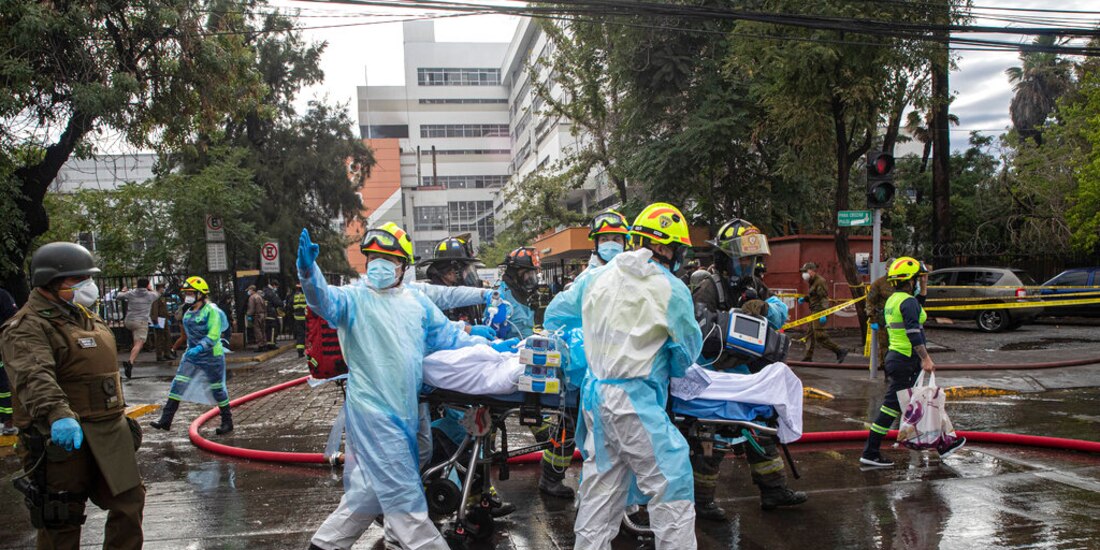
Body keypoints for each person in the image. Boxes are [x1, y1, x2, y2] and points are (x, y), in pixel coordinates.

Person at [298, 224, 512, 550]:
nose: (379, 265)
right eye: (373, 258)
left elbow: (448, 337)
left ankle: (325, 546)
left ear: (403, 266)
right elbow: (322, 302)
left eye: (389, 258)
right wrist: (308, 273)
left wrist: (488, 343)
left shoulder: (416, 303)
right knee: (408, 505)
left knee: (367, 497)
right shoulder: (355, 299)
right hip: (373, 414)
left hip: (405, 412)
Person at [544, 202, 703, 549]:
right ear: (665, 246)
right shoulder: (671, 289)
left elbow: (556, 315)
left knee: (602, 489)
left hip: (595, 397)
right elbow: (686, 353)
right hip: (634, 403)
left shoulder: (597, 276)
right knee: (671, 479)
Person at [0, 242, 144, 549]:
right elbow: (33, 375)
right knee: (61, 516)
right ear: (50, 282)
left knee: (129, 502)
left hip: (109, 431)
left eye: (87, 278)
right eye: (76, 280)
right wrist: (58, 415)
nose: (86, 286)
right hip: (62, 435)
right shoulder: (27, 326)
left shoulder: (83, 315)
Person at [691, 218, 806, 518]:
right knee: (711, 440)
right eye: (743, 258)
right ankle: (701, 502)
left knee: (761, 432)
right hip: (717, 378)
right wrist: (731, 319)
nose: (748, 264)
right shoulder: (707, 288)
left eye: (752, 259)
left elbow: (781, 312)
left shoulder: (755, 285)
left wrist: (766, 309)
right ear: (725, 257)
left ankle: (774, 491)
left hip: (749, 377)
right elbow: (699, 332)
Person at [860, 257, 965, 467]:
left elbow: (918, 312)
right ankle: (870, 452)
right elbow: (913, 330)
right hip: (906, 359)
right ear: (910, 280)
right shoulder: (907, 302)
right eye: (917, 279)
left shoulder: (895, 299)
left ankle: (943, 444)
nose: (919, 282)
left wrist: (924, 286)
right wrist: (925, 358)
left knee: (920, 404)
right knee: (893, 408)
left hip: (897, 358)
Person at [148, 276, 234, 435]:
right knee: (178, 384)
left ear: (200, 294)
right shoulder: (187, 312)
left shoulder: (211, 311)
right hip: (192, 355)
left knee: (217, 389)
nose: (187, 296)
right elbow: (187, 333)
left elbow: (214, 335)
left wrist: (200, 347)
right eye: (186, 293)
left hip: (211, 356)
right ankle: (165, 420)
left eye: (191, 293)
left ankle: (227, 422)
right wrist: (191, 350)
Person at [422, 236, 484, 324]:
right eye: (466, 270)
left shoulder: (457, 294)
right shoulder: (433, 297)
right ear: (449, 273)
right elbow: (441, 329)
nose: (468, 275)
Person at [485, 247, 540, 340]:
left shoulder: (521, 292)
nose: (530, 279)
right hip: (508, 351)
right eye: (527, 274)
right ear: (514, 272)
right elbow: (490, 329)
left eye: (532, 274)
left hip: (526, 346)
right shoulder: (499, 295)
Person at [799, 262, 848, 363]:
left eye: (805, 271)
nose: (804, 274)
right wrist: (805, 299)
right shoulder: (812, 281)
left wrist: (823, 313)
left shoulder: (820, 281)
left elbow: (823, 298)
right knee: (810, 334)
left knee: (819, 336)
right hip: (814, 311)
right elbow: (814, 296)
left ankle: (839, 350)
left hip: (819, 311)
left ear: (812, 271)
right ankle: (808, 356)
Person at [117, 278, 159, 379]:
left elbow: (118, 296)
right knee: (139, 343)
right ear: (147, 285)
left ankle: (132, 355)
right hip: (141, 322)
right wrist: (150, 289)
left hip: (129, 321)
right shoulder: (150, 295)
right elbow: (158, 294)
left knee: (136, 338)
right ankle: (130, 362)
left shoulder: (131, 293)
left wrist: (123, 291)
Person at [865, 263, 895, 369]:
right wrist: (872, 318)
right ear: (886, 268)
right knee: (884, 345)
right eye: (891, 266)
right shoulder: (879, 283)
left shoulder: (902, 282)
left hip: (899, 319)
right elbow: (870, 301)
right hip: (883, 319)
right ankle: (885, 366)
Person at [0, 286, 18, 435]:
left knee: (4, 387)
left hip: (1, 351)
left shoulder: (2, 295)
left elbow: (13, 321)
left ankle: (8, 421)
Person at [151, 282, 173, 362]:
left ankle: (167, 353)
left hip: (164, 318)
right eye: (162, 288)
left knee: (167, 336)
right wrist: (155, 319)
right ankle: (159, 355)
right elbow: (155, 309)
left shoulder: (161, 296)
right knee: (160, 338)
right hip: (159, 319)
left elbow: (163, 308)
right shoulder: (155, 296)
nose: (163, 289)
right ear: (159, 288)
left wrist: (168, 315)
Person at [263, 279, 284, 350]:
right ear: (274, 285)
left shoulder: (264, 291)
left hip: (265, 313)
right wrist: (282, 303)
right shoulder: (271, 293)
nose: (276, 288)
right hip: (271, 314)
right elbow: (278, 302)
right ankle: (272, 344)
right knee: (272, 329)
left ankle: (269, 343)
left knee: (267, 330)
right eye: (276, 286)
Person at [246, 284, 267, 351]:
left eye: (249, 290)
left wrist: (248, 315)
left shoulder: (252, 297)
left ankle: (260, 345)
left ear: (252, 290)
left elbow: (251, 309)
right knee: (262, 330)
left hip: (257, 316)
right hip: (262, 315)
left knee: (257, 331)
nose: (248, 291)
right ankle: (264, 344)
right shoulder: (260, 296)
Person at [291, 282, 307, 358]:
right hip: (306, 318)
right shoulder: (307, 294)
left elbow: (289, 305)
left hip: (297, 318)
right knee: (309, 334)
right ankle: (311, 350)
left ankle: (300, 352)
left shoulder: (294, 295)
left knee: (300, 335)